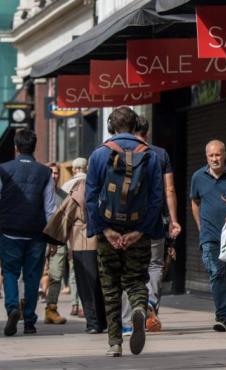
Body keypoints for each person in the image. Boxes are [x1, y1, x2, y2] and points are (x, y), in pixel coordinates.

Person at [86, 106, 164, 357]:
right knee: (136, 280)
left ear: (111, 126)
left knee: (110, 287)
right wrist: (141, 232)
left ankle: (115, 343)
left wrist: (104, 230)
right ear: (136, 126)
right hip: (137, 227)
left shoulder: (99, 154)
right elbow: (156, 199)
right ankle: (140, 308)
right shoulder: (151, 156)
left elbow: (90, 197)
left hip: (108, 230)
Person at [0, 129, 57, 336]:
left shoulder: (4, 169)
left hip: (10, 231)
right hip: (35, 233)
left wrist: (5, 209)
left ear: (16, 148)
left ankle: (12, 308)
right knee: (33, 276)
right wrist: (53, 236)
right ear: (34, 147)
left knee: (9, 272)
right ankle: (29, 321)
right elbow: (50, 208)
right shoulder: (45, 173)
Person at [126, 115, 181, 334]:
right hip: (155, 219)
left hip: (128, 221)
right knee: (155, 264)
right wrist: (174, 220)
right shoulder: (160, 154)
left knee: (131, 266)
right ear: (147, 132)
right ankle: (149, 304)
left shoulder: (122, 152)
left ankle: (132, 313)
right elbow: (169, 189)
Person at [190, 139, 226, 332]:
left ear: (225, 154)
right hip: (209, 236)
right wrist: (200, 225)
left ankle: (225, 314)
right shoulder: (198, 176)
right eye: (211, 155)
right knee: (216, 273)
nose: (215, 159)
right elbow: (194, 202)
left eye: (218, 154)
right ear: (206, 157)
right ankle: (222, 317)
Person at [63, 157, 107, 334]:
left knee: (85, 284)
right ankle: (104, 320)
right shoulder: (103, 184)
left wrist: (58, 240)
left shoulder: (77, 187)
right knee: (101, 283)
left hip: (81, 241)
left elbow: (65, 214)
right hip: (103, 239)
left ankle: (93, 322)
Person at [61, 157, 89, 318]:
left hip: (72, 236)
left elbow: (63, 214)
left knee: (74, 271)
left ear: (74, 169)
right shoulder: (92, 183)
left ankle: (74, 304)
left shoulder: (66, 186)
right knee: (89, 273)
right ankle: (86, 305)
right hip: (91, 236)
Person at [43, 162, 68, 325]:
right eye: (51, 173)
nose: (54, 176)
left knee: (56, 276)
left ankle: (51, 310)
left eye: (56, 173)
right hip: (39, 240)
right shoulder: (38, 194)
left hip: (58, 241)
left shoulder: (64, 196)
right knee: (31, 275)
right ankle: (24, 309)